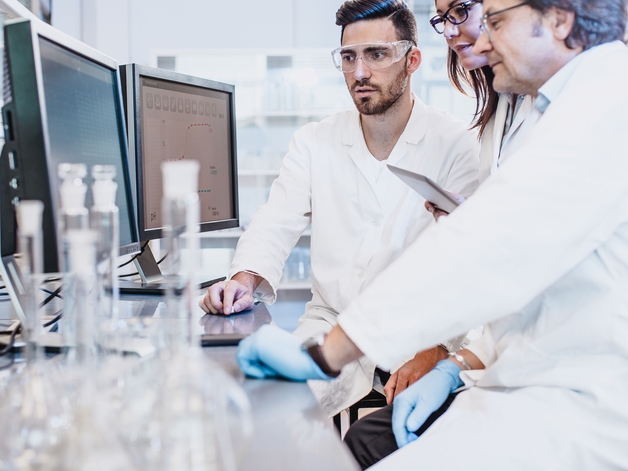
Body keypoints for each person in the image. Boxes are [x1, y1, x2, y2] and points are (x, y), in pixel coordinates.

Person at [236, 0, 628, 468]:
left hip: (578, 400)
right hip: (507, 371)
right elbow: (523, 273)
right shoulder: (550, 106)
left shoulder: (604, 102)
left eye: (495, 20)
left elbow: (484, 249)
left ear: (560, 19)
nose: (479, 40)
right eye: (348, 57)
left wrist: (331, 353)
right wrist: (461, 364)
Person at [200, 0, 480, 418]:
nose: (360, 73)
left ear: (412, 60)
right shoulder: (315, 141)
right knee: (263, 415)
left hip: (418, 337)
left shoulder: (458, 144)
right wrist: (243, 278)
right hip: (330, 326)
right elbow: (276, 220)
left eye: (377, 55)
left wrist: (438, 348)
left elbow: (472, 266)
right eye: (349, 57)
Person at [344, 0, 543, 466]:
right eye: (443, 18)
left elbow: (526, 268)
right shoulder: (500, 108)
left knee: (369, 442)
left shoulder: (570, 117)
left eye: (465, 13)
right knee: (362, 438)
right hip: (489, 348)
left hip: (536, 369)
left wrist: (451, 356)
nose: (454, 32)